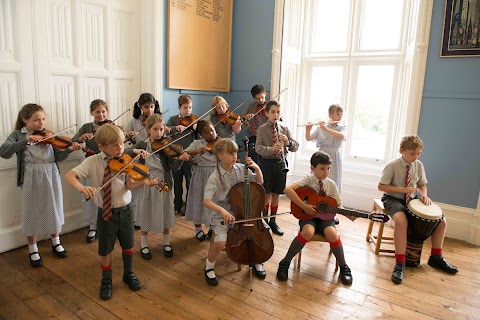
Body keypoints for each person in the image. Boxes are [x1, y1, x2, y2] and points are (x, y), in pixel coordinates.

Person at [64, 124, 159, 300]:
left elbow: (129, 185)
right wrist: (82, 187)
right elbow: (69, 176)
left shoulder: (125, 160)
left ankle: (128, 273)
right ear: (101, 146)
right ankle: (106, 280)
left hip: (125, 211)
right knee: (105, 250)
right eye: (115, 145)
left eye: (122, 144)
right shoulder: (92, 162)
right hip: (105, 213)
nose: (120, 148)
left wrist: (143, 182)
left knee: (128, 245)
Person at [0, 103, 82, 268]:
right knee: (31, 211)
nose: (41, 123)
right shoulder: (18, 135)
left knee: (54, 207)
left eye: (43, 119)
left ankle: (56, 241)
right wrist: (25, 140)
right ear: (25, 120)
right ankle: (33, 247)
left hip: (51, 175)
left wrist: (69, 149)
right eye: (36, 120)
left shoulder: (49, 135)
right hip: (30, 177)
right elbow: (4, 151)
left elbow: (57, 157)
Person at [378, 134, 458, 284]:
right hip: (393, 198)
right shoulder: (392, 166)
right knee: (401, 222)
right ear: (402, 150)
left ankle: (436, 257)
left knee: (442, 221)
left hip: (413, 198)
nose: (415, 157)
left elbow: (422, 184)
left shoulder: (419, 165)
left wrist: (424, 195)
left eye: (418, 154)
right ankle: (399, 264)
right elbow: (381, 186)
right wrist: (403, 189)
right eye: (412, 153)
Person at [277, 151, 353, 285]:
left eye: (328, 168)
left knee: (332, 233)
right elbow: (287, 190)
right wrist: (304, 206)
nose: (326, 172)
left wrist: (348, 214)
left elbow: (338, 204)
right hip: (308, 216)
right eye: (322, 168)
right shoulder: (308, 179)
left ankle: (344, 267)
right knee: (308, 232)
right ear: (312, 168)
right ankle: (285, 262)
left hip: (326, 218)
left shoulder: (331, 184)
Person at [203, 139, 265, 285]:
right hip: (221, 213)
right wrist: (222, 211)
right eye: (230, 153)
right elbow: (206, 200)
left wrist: (256, 168)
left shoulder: (241, 168)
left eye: (235, 153)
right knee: (220, 242)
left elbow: (259, 183)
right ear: (220, 155)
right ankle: (209, 266)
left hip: (242, 212)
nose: (234, 156)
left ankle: (256, 260)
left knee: (255, 234)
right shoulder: (215, 176)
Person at [126, 114, 188, 259]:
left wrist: (180, 159)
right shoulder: (143, 144)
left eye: (161, 129)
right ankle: (144, 244)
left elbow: (174, 168)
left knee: (166, 212)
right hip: (147, 184)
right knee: (146, 212)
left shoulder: (167, 146)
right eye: (155, 129)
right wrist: (136, 151)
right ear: (148, 130)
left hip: (164, 183)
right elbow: (126, 153)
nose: (159, 133)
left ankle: (166, 242)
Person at [255, 100, 299, 235]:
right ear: (267, 113)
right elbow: (258, 148)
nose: (275, 114)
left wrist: (288, 142)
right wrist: (271, 149)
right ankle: (263, 221)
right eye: (273, 112)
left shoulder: (284, 129)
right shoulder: (262, 129)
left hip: (281, 164)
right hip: (267, 164)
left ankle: (273, 221)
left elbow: (295, 146)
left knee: (276, 193)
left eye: (278, 112)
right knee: (266, 193)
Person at [72, 99, 109, 243]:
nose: (101, 115)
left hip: (108, 165)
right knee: (91, 196)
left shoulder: (110, 126)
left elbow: (120, 141)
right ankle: (93, 227)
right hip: (91, 164)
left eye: (103, 111)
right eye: (97, 112)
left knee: (108, 196)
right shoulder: (86, 127)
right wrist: (81, 138)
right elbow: (73, 141)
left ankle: (108, 225)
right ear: (91, 113)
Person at [125, 93, 161, 228]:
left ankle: (152, 216)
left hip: (154, 156)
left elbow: (164, 133)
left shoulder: (158, 119)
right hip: (139, 155)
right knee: (137, 190)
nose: (150, 110)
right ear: (140, 107)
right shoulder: (134, 121)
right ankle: (137, 219)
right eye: (146, 107)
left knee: (152, 188)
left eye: (152, 107)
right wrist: (130, 136)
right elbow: (127, 138)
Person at [183, 120, 218, 241]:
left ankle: (213, 228)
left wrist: (218, 152)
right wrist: (197, 151)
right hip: (200, 175)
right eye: (206, 132)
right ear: (201, 135)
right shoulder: (197, 143)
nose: (211, 134)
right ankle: (198, 229)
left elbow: (228, 153)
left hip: (215, 175)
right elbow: (184, 152)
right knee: (198, 200)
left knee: (215, 202)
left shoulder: (220, 143)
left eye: (212, 130)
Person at [166, 94, 195, 215]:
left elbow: (200, 135)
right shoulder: (173, 119)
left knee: (189, 182)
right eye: (185, 107)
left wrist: (197, 127)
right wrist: (174, 128)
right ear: (179, 108)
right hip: (176, 156)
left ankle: (188, 206)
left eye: (190, 107)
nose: (188, 110)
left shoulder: (194, 121)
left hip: (189, 156)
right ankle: (177, 205)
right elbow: (165, 129)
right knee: (177, 182)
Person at [242, 84, 268, 164]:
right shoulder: (251, 106)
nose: (260, 100)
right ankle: (252, 175)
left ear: (265, 94)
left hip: (265, 137)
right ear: (254, 97)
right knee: (252, 160)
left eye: (262, 97)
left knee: (265, 160)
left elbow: (276, 118)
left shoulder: (269, 106)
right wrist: (246, 117)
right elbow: (242, 119)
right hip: (253, 136)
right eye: (258, 98)